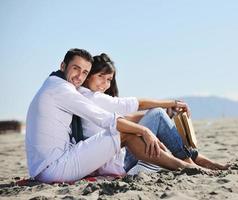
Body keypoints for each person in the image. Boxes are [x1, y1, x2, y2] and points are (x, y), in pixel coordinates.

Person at [25, 48, 198, 183]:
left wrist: (149, 123)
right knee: (122, 132)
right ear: (63, 66)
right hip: (54, 168)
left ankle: (189, 162)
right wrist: (145, 131)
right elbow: (108, 119)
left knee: (133, 126)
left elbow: (125, 116)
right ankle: (186, 165)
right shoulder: (63, 90)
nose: (79, 76)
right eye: (76, 69)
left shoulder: (55, 85)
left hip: (46, 166)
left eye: (84, 72)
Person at [79, 53, 229, 175]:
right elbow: (139, 104)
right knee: (156, 114)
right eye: (100, 76)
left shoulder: (88, 98)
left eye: (109, 79)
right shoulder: (91, 97)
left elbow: (127, 119)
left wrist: (164, 115)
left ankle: (193, 158)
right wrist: (172, 103)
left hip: (116, 159)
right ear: (89, 75)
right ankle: (191, 161)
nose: (104, 84)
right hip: (118, 164)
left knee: (157, 114)